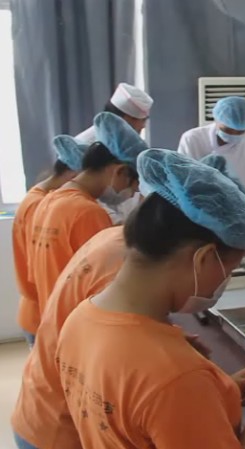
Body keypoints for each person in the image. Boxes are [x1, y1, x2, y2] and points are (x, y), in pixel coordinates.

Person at [11, 153, 245, 449]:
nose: (223, 282)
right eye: (228, 270)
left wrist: (215, 394)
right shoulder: (177, 376)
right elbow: (164, 390)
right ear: (203, 258)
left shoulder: (79, 318)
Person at [28, 112, 147, 317]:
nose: (130, 195)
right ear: (119, 172)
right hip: (77, 317)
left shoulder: (50, 200)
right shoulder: (88, 213)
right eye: (132, 187)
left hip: (53, 315)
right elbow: (107, 284)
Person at [12, 135, 88, 347]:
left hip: (38, 308)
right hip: (43, 311)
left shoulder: (35, 197)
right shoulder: (43, 205)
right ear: (73, 174)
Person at [178, 96, 245, 210]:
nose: (233, 135)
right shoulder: (193, 139)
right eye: (227, 130)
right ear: (216, 120)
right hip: (197, 208)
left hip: (240, 208)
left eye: (240, 131)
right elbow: (184, 182)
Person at [75, 82, 154, 143]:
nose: (143, 126)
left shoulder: (120, 142)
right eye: (142, 120)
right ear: (123, 119)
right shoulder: (86, 144)